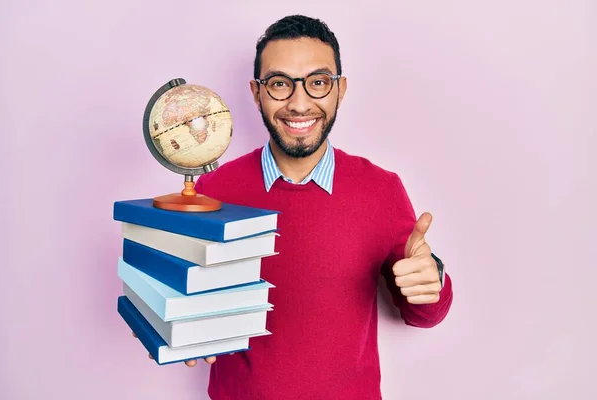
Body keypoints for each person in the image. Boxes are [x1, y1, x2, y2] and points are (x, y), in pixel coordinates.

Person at [158, 14, 453, 399]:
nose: (300, 104)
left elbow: (422, 314)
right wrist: (159, 319)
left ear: (340, 90)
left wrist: (433, 282)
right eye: (280, 84)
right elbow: (179, 292)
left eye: (318, 83)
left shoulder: (382, 190)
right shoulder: (214, 190)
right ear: (256, 92)